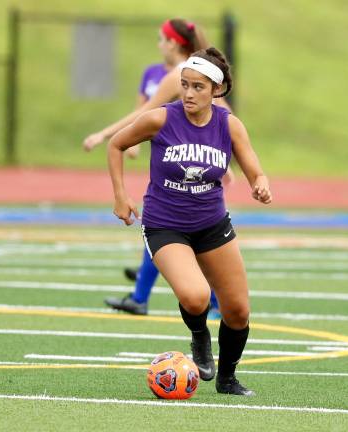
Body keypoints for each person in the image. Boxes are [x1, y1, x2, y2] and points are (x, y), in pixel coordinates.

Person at [106, 47, 272, 396]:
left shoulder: (228, 125)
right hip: (166, 225)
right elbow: (117, 145)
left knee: (238, 311)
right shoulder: (161, 119)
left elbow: (252, 164)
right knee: (196, 298)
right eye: (184, 85)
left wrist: (260, 182)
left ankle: (227, 379)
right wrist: (121, 195)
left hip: (212, 225)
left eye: (198, 87)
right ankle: (200, 338)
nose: (188, 93)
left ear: (216, 89)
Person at [84, 18, 230, 318]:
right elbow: (145, 115)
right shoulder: (169, 74)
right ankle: (143, 295)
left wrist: (104, 134)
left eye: (162, 39)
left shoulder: (184, 74)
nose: (159, 44)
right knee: (164, 227)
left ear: (174, 43)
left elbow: (223, 115)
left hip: (191, 167)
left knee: (181, 232)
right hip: (171, 163)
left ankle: (210, 303)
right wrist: (126, 140)